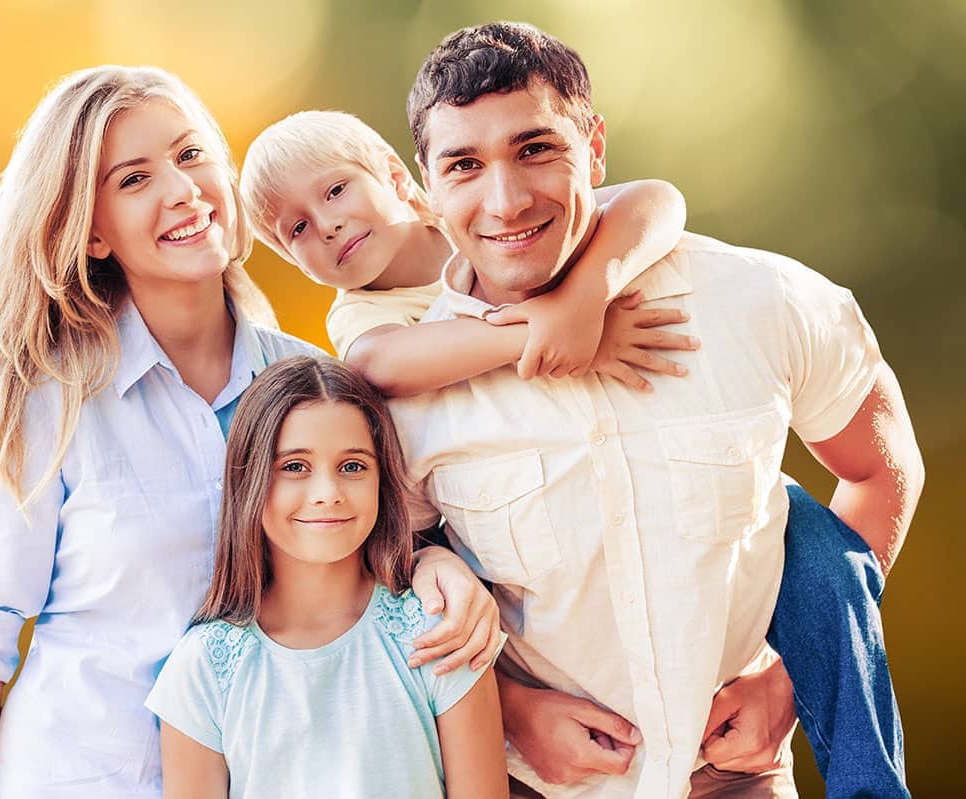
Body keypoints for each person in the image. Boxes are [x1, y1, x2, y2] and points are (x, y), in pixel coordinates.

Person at [0, 65, 499, 798]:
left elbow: (379, 557)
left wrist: (434, 563)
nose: (181, 189)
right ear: (92, 232)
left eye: (191, 155)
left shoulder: (315, 386)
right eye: (134, 179)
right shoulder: (54, 399)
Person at [390, 22, 922, 798]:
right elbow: (371, 589)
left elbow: (881, 467)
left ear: (594, 146)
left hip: (734, 780)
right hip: (532, 784)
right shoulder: (408, 397)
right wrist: (504, 711)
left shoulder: (760, 301)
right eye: (464, 165)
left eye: (537, 148)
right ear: (428, 184)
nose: (505, 199)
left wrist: (787, 682)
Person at [146, 355, 510, 798]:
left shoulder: (437, 634)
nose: (327, 495)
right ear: (251, 479)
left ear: (382, 479)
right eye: (295, 466)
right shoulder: (204, 667)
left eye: (352, 466)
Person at [240, 110, 696, 397]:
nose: (327, 226)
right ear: (290, 259)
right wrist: (550, 332)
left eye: (336, 190)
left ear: (396, 178)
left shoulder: (476, 218)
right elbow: (378, 364)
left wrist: (583, 300)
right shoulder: (361, 313)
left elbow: (656, 199)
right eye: (297, 228)